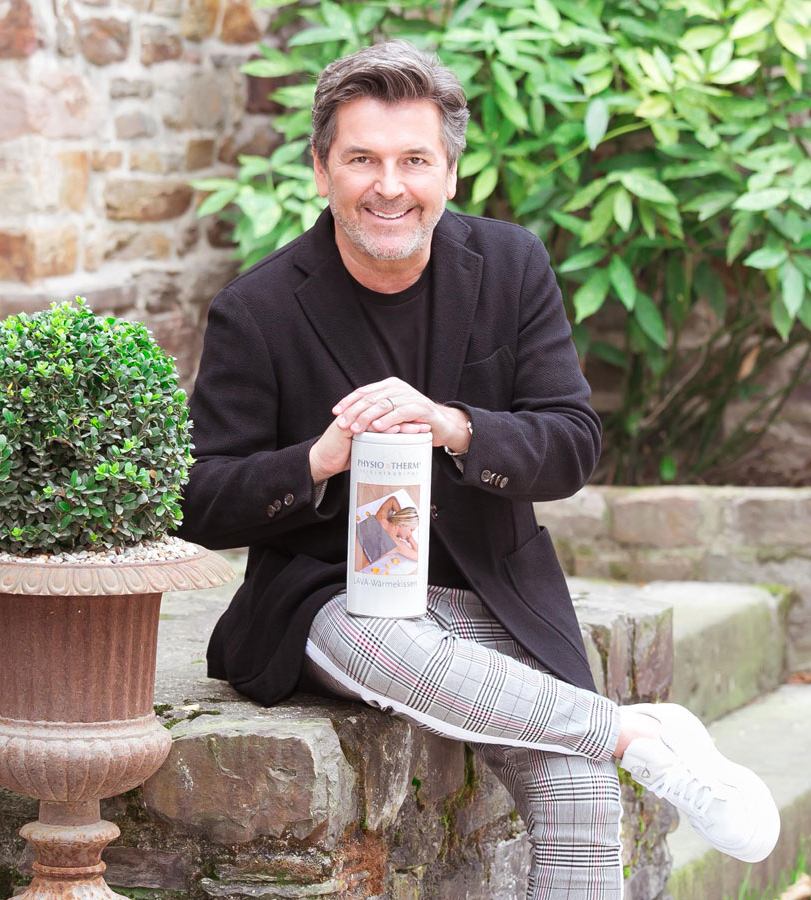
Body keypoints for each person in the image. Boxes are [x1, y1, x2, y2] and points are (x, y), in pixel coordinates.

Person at [179, 40, 779, 897]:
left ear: (451, 172)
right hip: (330, 598)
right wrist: (317, 458)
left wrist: (454, 427)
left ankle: (612, 744)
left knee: (578, 790)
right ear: (320, 170)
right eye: (362, 159)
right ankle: (637, 736)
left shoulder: (512, 265)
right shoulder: (257, 308)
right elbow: (197, 499)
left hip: (492, 591)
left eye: (414, 160)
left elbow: (572, 443)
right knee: (375, 634)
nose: (389, 186)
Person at [356, 496, 419, 570]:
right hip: (351, 564)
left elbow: (392, 500)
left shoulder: (381, 517)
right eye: (411, 529)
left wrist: (400, 516)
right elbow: (418, 556)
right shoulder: (397, 544)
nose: (410, 534)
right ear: (404, 523)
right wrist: (410, 539)